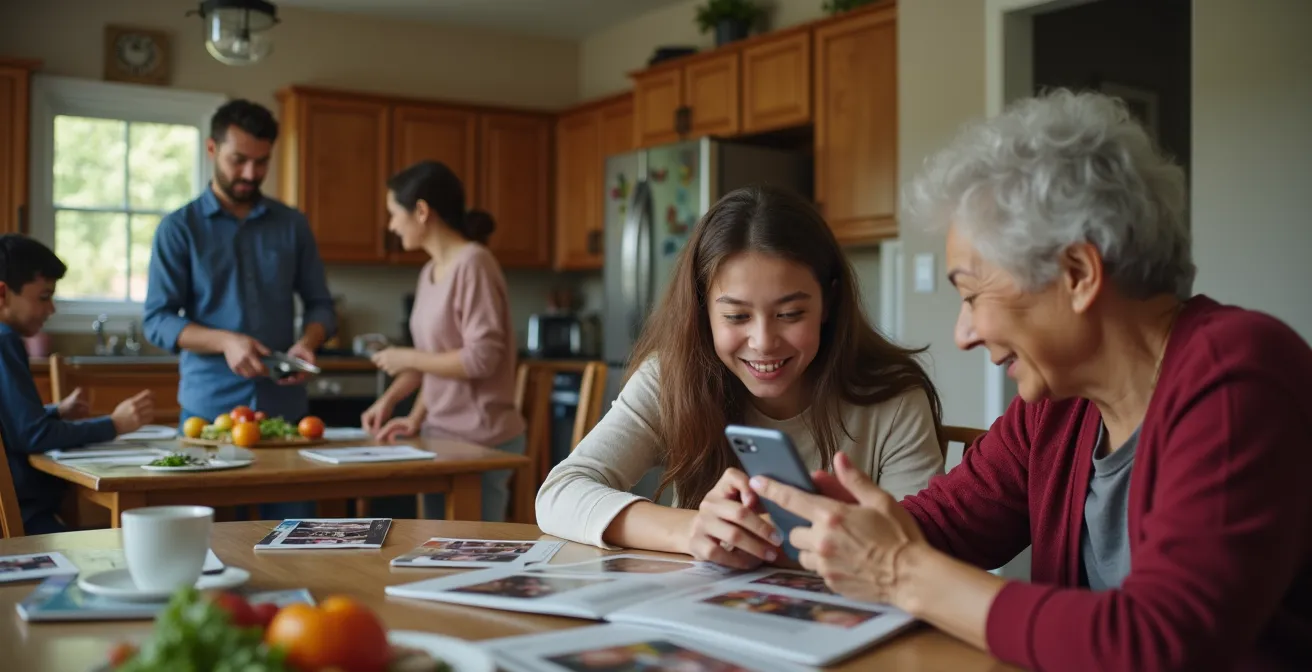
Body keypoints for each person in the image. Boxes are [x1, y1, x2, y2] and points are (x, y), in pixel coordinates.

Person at [748, 90, 1312, 671]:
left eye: (971, 294)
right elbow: (948, 524)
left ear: (1077, 274)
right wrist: (814, 521)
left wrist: (898, 570)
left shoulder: (1239, 375)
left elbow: (1157, 643)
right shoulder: (1059, 406)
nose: (963, 333)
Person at [536, 185, 945, 568]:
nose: (764, 342)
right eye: (736, 316)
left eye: (790, 314)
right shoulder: (671, 378)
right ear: (703, 311)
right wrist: (690, 529)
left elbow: (919, 557)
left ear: (829, 302)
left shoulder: (893, 399)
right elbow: (560, 493)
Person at [143, 99, 335, 425]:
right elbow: (157, 320)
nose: (250, 173)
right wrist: (226, 341)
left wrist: (308, 342)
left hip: (284, 409)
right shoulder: (179, 229)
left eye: (261, 162)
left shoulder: (293, 225)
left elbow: (321, 306)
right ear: (212, 149)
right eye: (239, 160)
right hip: (208, 411)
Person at [361, 160, 525, 522]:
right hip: (440, 436)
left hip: (480, 440)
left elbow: (480, 360)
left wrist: (406, 357)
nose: (390, 225)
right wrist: (404, 410)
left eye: (393, 213)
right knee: (436, 551)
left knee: (471, 559)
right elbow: (438, 361)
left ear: (421, 211)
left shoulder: (474, 264)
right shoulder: (429, 272)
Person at [0, 235, 154, 534]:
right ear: (3, 293)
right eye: (43, 297)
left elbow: (13, 425)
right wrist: (115, 424)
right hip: (24, 521)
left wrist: (55, 411)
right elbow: (33, 435)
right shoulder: (4, 340)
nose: (51, 309)